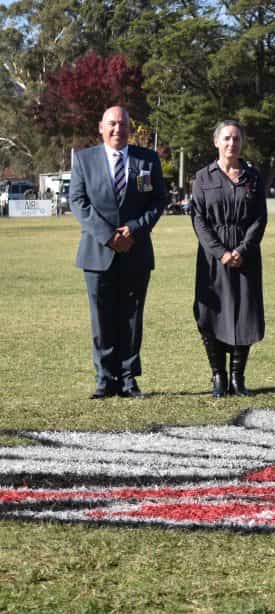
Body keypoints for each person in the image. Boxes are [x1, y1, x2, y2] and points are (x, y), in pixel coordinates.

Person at [69, 106, 167, 399]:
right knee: (102, 318)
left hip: (136, 252)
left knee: (132, 317)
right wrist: (108, 236)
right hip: (97, 254)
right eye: (111, 124)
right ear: (101, 127)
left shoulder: (147, 159)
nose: (117, 129)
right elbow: (78, 201)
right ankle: (104, 378)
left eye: (123, 124)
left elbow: (158, 200)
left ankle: (127, 378)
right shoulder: (84, 159)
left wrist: (133, 230)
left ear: (129, 128)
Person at [191, 120, 267, 398]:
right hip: (213, 258)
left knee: (243, 313)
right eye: (226, 139)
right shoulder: (202, 178)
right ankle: (218, 376)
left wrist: (243, 250)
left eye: (236, 139)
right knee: (210, 313)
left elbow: (259, 218)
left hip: (246, 257)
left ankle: (238, 377)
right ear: (216, 142)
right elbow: (199, 220)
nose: (231, 143)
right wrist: (221, 252)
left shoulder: (253, 177)